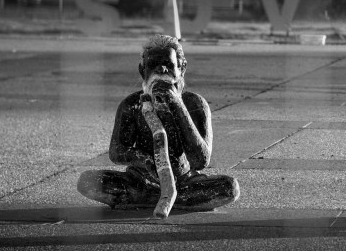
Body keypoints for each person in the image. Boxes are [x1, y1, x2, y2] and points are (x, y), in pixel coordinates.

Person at [77, 34, 240, 211]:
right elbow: (116, 151)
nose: (161, 70)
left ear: (182, 68)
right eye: (153, 66)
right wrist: (145, 160)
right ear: (142, 70)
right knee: (88, 181)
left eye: (168, 65)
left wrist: (177, 105)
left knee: (229, 187)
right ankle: (167, 197)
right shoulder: (131, 104)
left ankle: (153, 198)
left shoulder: (194, 103)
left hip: (183, 180)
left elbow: (201, 160)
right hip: (140, 179)